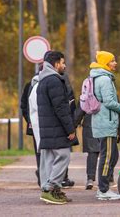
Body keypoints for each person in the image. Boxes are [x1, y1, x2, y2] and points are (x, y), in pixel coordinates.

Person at [37, 51, 77, 205]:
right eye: (62, 62)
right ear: (55, 64)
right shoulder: (54, 80)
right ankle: (50, 187)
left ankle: (53, 191)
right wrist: (70, 129)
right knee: (63, 155)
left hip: (47, 128)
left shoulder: (42, 80)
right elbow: (61, 108)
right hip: (56, 127)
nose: (64, 65)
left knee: (48, 159)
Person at [89, 51, 120, 200]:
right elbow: (109, 102)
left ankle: (105, 187)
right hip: (106, 123)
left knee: (112, 155)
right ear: (105, 63)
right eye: (112, 61)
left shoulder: (98, 76)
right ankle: (103, 190)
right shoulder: (104, 79)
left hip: (102, 122)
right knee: (107, 157)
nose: (115, 63)